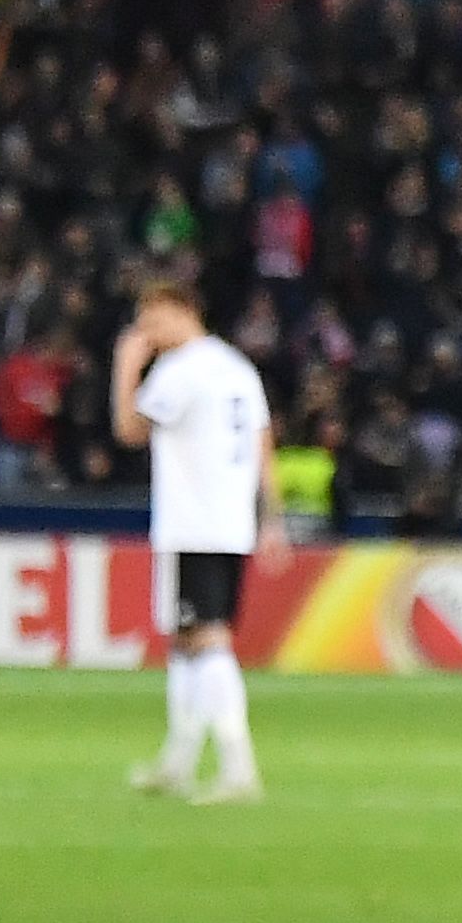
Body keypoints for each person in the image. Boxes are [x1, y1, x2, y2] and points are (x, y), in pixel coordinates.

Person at [112, 285, 273, 804]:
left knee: (207, 639)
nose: (148, 334)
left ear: (185, 311)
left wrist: (126, 367)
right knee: (186, 641)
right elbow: (262, 442)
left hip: (194, 524)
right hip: (230, 522)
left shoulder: (180, 371)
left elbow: (130, 430)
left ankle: (238, 765)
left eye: (153, 320)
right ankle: (178, 761)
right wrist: (272, 518)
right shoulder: (237, 368)